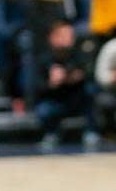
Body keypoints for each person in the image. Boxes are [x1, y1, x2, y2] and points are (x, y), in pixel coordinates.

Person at [34, 20, 96, 149]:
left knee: (91, 91)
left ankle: (91, 131)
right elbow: (34, 88)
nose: (70, 39)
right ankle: (51, 133)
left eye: (70, 35)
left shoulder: (79, 54)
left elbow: (90, 73)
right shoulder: (42, 58)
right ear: (53, 37)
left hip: (75, 99)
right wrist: (51, 83)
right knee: (44, 109)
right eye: (65, 35)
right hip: (55, 101)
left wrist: (75, 77)